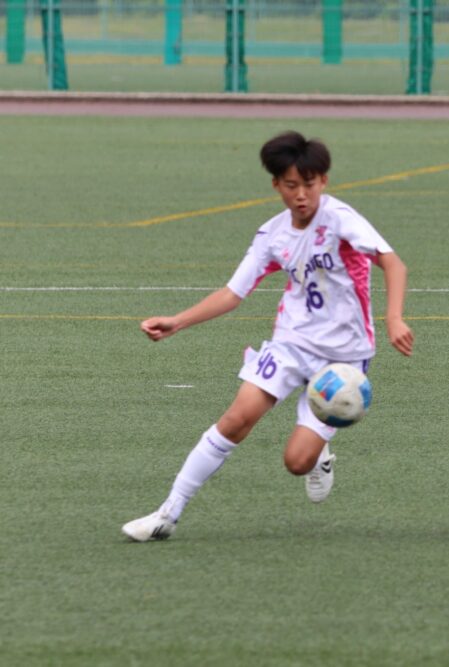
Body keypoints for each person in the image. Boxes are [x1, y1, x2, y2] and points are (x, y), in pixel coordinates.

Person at [122, 131, 414, 542]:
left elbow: (394, 264)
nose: (301, 195)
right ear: (276, 185)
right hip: (291, 344)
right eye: (291, 185)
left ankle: (318, 455)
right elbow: (232, 293)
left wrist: (394, 317)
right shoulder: (272, 235)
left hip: (343, 359)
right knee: (235, 420)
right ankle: (167, 514)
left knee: (296, 462)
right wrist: (178, 321)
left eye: (309, 184)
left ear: (324, 181)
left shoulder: (341, 220)